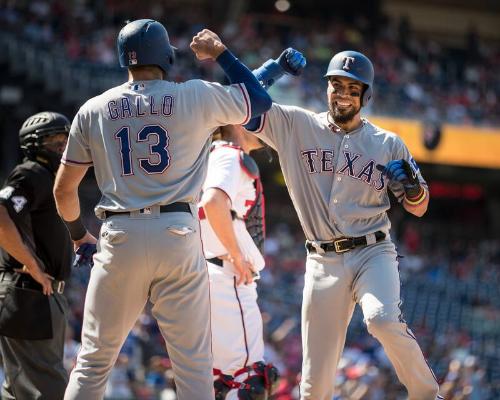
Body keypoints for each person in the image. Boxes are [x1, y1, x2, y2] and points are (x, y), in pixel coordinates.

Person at [53, 19, 271, 400]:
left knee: (93, 362)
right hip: (178, 235)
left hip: (120, 235)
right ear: (167, 56)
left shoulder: (93, 108)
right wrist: (220, 53)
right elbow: (260, 100)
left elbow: (63, 190)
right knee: (193, 366)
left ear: (125, 59)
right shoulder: (194, 95)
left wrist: (77, 236)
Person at [244, 50, 443, 399]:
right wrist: (273, 70)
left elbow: (420, 207)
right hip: (322, 260)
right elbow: (242, 102)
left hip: (373, 252)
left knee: (382, 319)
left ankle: (428, 395)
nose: (343, 94)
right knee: (315, 380)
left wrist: (412, 188)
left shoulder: (387, 143)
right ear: (327, 89)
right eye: (336, 86)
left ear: (365, 95)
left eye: (352, 88)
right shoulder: (296, 125)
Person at [198, 49, 306, 400]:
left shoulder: (201, 154)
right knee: (248, 381)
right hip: (226, 275)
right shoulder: (230, 154)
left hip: (205, 274)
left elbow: (246, 93)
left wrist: (276, 69)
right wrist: (236, 254)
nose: (262, 118)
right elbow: (213, 202)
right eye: (253, 113)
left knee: (216, 383)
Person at [0, 111, 72, 399]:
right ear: (35, 145)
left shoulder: (53, 179)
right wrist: (32, 264)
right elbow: (1, 213)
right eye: (56, 140)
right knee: (47, 388)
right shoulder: (32, 172)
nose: (63, 146)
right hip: (29, 290)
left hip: (40, 293)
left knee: (21, 390)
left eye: (66, 139)